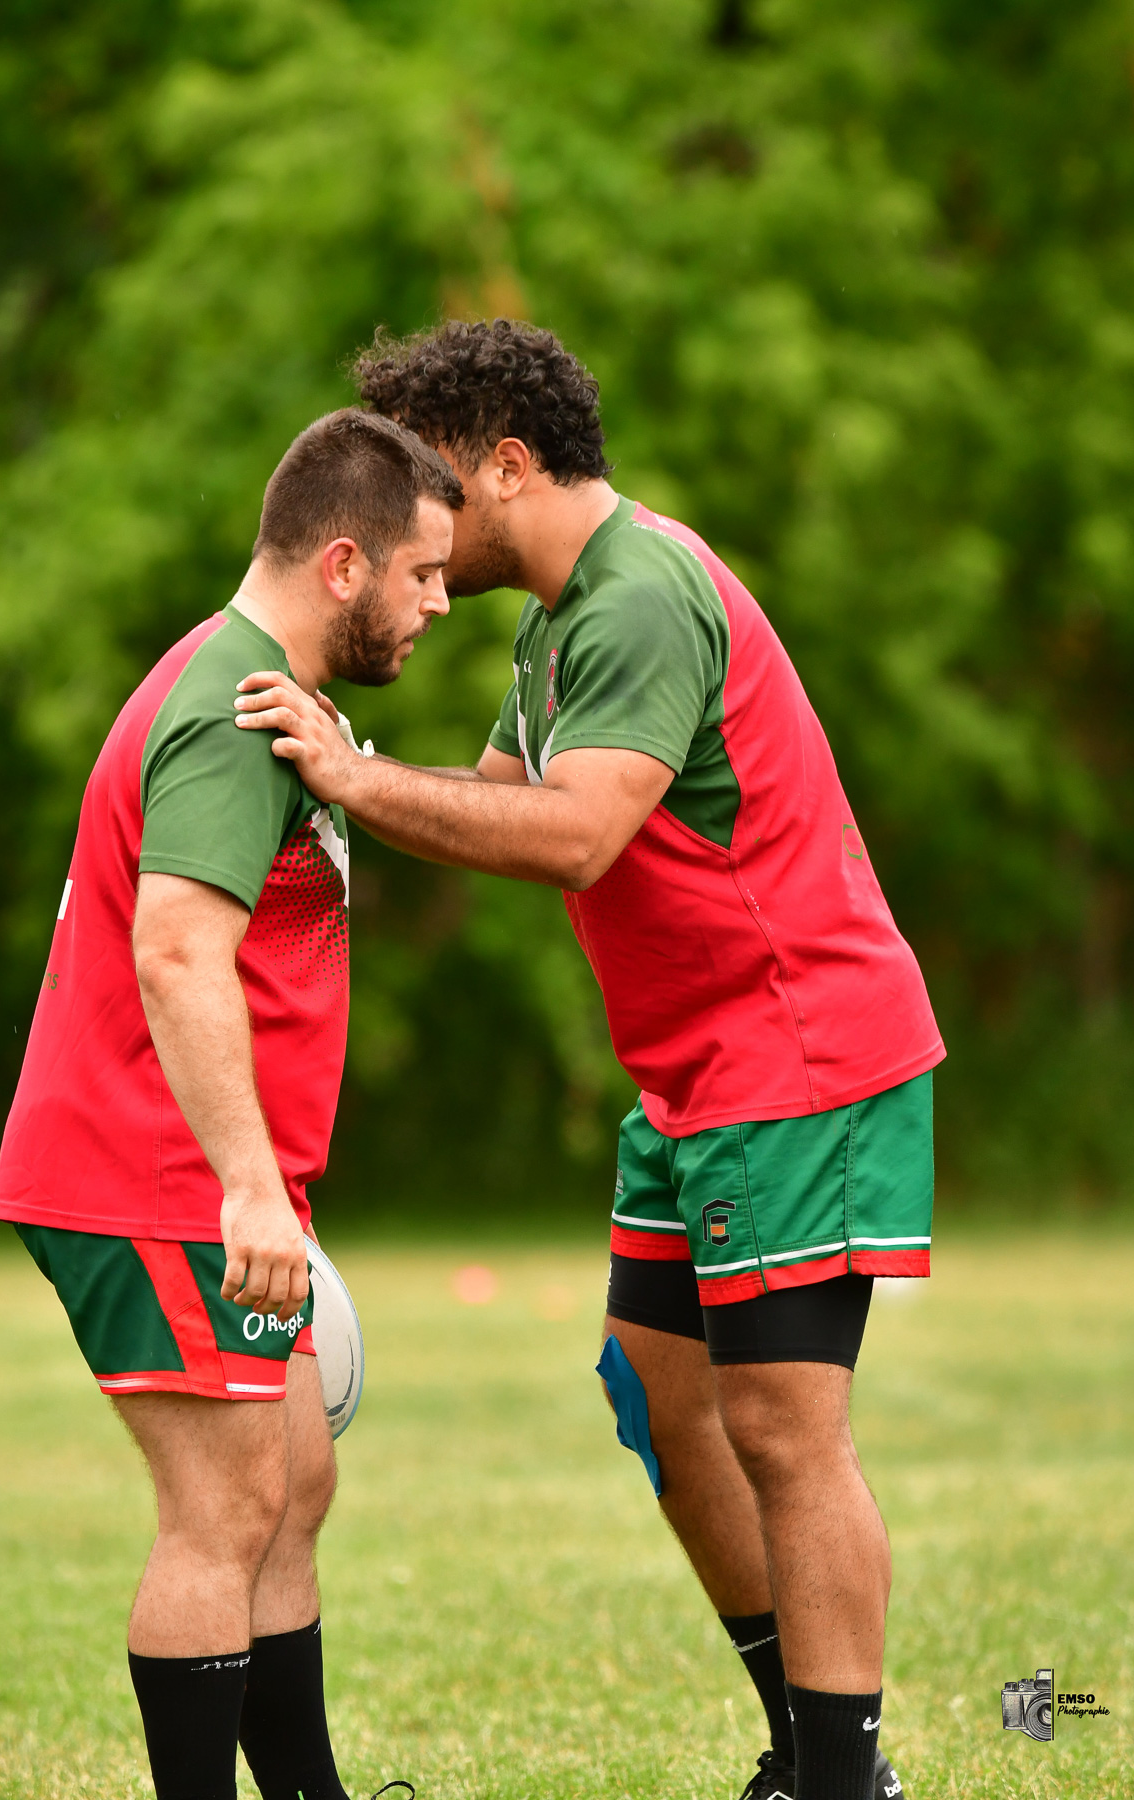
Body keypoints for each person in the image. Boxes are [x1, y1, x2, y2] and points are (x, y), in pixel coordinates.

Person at [232, 320, 944, 1800]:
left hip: (794, 1056)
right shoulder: (559, 623)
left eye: (435, 481)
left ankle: (843, 1778)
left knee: (785, 1431)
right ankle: (803, 1744)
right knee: (656, 1391)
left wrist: (349, 774)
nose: (415, 518)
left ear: (508, 463)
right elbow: (491, 802)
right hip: (697, 1076)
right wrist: (319, 772)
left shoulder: (640, 597)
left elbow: (573, 834)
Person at [0, 409, 461, 1800]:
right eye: (422, 574)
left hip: (199, 1171)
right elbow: (177, 948)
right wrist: (250, 1186)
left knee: (291, 1486)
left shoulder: (273, 694)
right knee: (227, 1507)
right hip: (149, 1171)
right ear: (340, 564)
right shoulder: (225, 710)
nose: (440, 600)